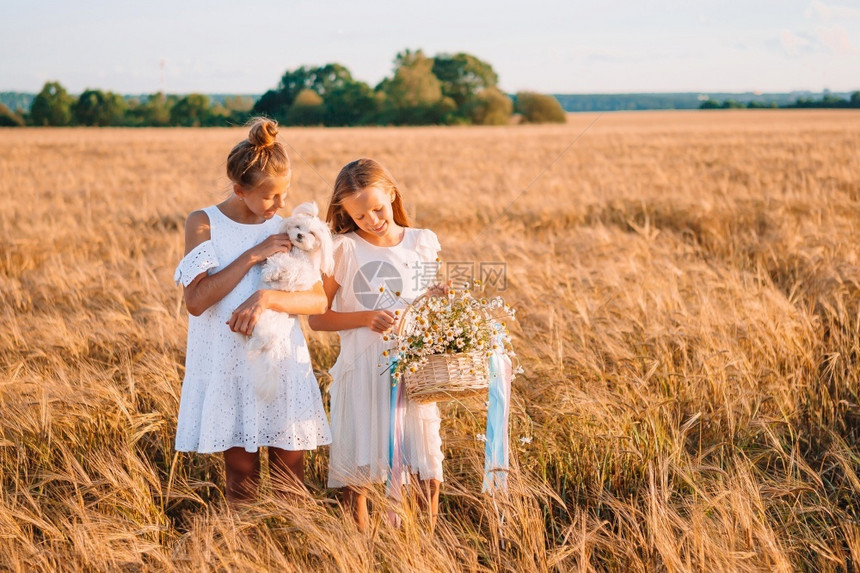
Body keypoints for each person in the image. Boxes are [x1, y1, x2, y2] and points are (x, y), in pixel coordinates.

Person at [173, 118, 331, 504]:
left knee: (290, 475)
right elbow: (196, 302)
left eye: (285, 195)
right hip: (226, 364)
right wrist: (253, 255)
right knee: (240, 478)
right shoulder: (204, 222)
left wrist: (266, 299)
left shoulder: (288, 228)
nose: (279, 207)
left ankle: (290, 554)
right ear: (239, 189)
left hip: (278, 363)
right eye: (269, 197)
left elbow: (317, 301)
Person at [308, 158, 444, 532]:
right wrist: (364, 318)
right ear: (346, 214)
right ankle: (362, 556)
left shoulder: (421, 242)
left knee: (426, 474)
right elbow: (317, 316)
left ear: (392, 194)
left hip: (415, 374)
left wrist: (439, 298)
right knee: (359, 478)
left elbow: (426, 306)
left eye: (377, 208)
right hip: (363, 370)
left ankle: (421, 553)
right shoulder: (343, 250)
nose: (371, 220)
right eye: (360, 215)